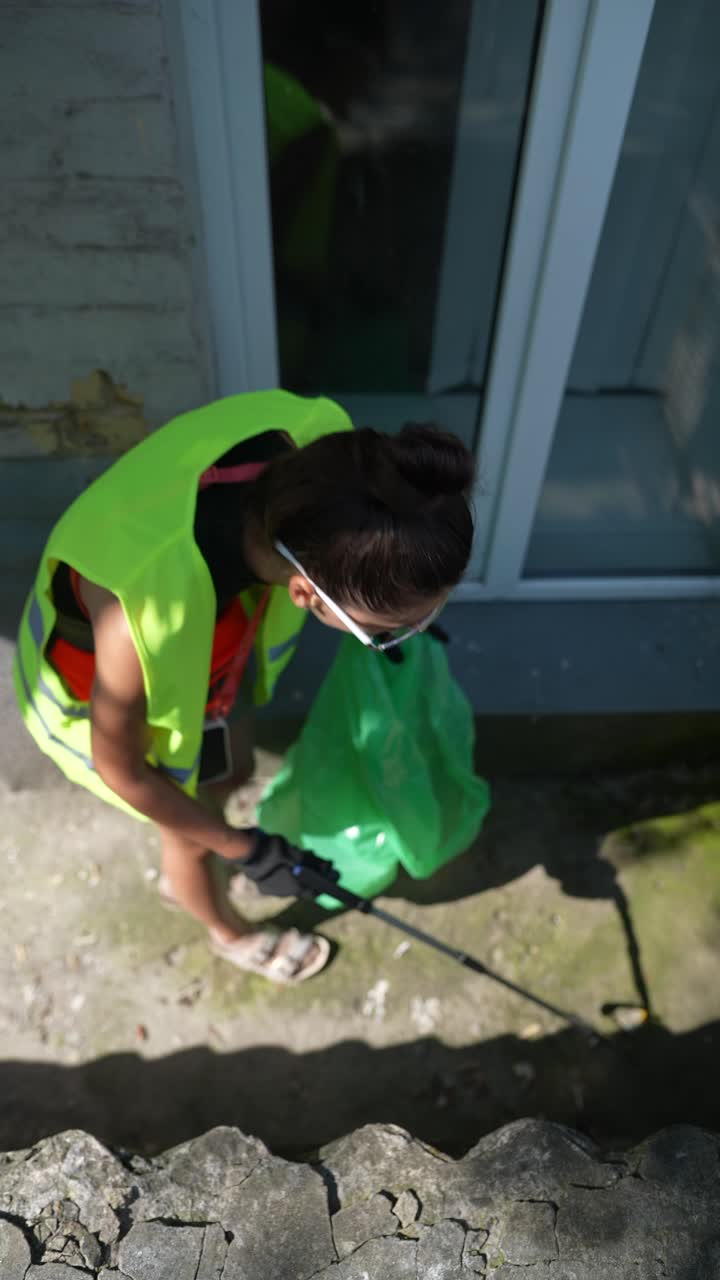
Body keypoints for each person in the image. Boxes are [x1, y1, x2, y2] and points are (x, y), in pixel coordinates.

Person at [14, 389, 475, 984]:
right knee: (193, 841)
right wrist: (243, 849)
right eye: (385, 631)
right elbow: (123, 771)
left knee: (229, 772)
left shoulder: (319, 447)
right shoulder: (138, 608)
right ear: (306, 593)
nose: (399, 637)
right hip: (95, 712)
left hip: (205, 663)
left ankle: (206, 846)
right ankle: (227, 931)